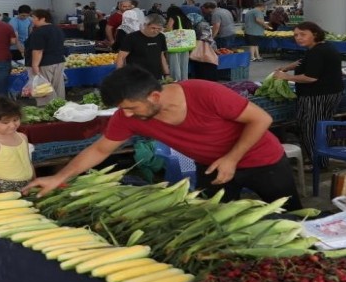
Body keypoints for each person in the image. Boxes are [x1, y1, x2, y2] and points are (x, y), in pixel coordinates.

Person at [23, 65, 303, 211]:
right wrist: (60, 177)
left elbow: (261, 119)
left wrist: (232, 158)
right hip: (211, 167)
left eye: (132, 108)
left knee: (291, 217)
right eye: (123, 110)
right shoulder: (128, 115)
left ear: (154, 96)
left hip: (262, 161)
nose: (127, 116)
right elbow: (100, 150)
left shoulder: (204, 92)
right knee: (215, 219)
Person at [273, 22, 343, 172]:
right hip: (329, 93)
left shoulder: (317, 52)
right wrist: (287, 67)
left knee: (311, 128)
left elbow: (311, 77)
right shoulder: (322, 47)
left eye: (303, 34)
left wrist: (285, 76)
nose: (298, 38)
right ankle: (319, 158)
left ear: (315, 34)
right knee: (321, 127)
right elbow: (302, 62)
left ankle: (318, 163)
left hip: (317, 96)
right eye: (296, 35)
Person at [26, 9, 66, 106]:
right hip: (58, 61)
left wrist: (35, 65)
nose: (32, 20)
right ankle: (60, 108)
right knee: (58, 88)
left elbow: (38, 50)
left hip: (44, 64)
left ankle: (47, 109)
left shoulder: (39, 32)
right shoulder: (57, 29)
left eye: (34, 18)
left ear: (43, 19)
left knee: (44, 90)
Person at [116, 14, 170, 81]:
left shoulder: (161, 37)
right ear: (145, 25)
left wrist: (167, 74)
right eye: (153, 28)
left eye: (159, 29)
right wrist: (119, 75)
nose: (156, 31)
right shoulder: (131, 37)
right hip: (136, 76)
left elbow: (162, 56)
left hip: (156, 76)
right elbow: (121, 57)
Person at [188, 12, 218, 81]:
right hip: (206, 49)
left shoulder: (202, 25)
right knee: (204, 67)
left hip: (205, 49)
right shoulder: (199, 24)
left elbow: (206, 37)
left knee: (205, 67)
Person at [165, 5, 192, 81]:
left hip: (175, 44)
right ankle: (184, 80)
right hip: (186, 44)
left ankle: (176, 80)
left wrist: (164, 31)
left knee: (174, 63)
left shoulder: (173, 17)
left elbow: (169, 28)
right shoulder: (186, 18)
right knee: (184, 64)